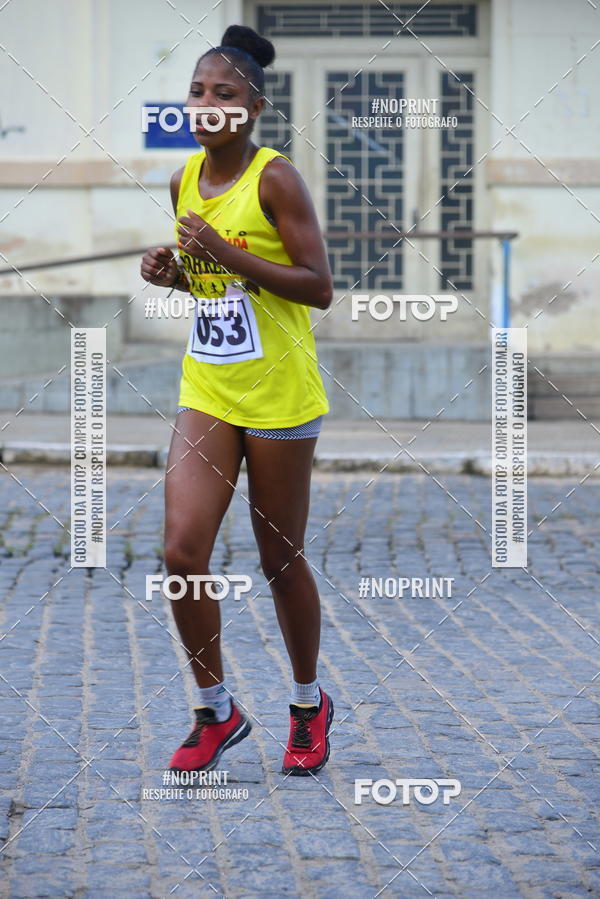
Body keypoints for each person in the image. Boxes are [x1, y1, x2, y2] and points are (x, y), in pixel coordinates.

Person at [140, 24, 334, 776]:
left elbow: (317, 287)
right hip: (209, 387)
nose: (206, 104)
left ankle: (308, 703)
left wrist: (222, 251)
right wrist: (176, 276)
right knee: (182, 550)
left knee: (280, 558)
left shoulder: (276, 179)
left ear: (253, 109)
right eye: (196, 91)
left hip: (280, 394)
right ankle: (214, 711)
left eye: (224, 94)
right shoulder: (183, 179)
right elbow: (213, 288)